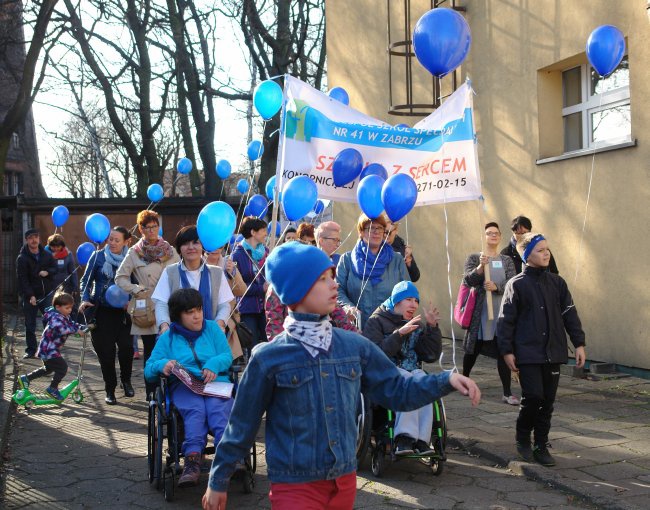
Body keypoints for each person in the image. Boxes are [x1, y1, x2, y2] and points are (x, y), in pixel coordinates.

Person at [202, 243, 481, 510]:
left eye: (332, 276)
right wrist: (218, 479)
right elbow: (241, 425)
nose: (335, 284)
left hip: (344, 481)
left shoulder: (353, 345)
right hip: (294, 483)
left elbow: (398, 388)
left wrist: (446, 381)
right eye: (323, 279)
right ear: (297, 290)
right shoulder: (268, 357)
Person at [497, 233, 586, 467]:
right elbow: (506, 321)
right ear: (527, 256)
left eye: (547, 249)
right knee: (533, 396)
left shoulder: (557, 283)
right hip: (527, 353)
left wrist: (579, 343)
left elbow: (570, 315)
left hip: (553, 352)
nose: (546, 253)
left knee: (547, 401)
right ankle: (523, 437)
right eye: (540, 250)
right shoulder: (516, 284)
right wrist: (507, 351)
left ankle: (541, 444)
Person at [145, 288, 233, 488]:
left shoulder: (212, 329)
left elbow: (226, 356)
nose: (197, 316)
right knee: (196, 411)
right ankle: (192, 461)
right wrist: (163, 364)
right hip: (185, 386)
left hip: (215, 383)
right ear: (178, 316)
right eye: (190, 312)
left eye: (199, 310)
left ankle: (228, 457)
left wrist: (213, 364)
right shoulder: (168, 338)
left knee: (218, 410)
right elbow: (149, 369)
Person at [362, 281, 442, 455]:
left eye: (416, 301)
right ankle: (404, 438)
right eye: (409, 300)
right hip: (385, 371)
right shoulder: (376, 321)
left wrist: (433, 329)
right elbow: (375, 355)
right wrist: (399, 334)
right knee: (406, 380)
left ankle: (422, 440)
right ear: (397, 301)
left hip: (411, 369)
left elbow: (429, 355)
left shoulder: (415, 323)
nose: (414, 305)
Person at [115, 210, 179, 393]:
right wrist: (136, 289)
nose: (151, 230)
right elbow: (120, 277)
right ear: (141, 229)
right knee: (150, 351)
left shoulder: (170, 250)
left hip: (170, 304)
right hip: (148, 308)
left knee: (171, 348)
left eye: (154, 226)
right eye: (146, 227)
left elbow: (180, 273)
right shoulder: (135, 252)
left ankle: (171, 389)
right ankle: (151, 393)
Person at [462, 222, 519, 405]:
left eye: (496, 233)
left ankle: (507, 392)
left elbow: (513, 282)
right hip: (481, 313)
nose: (493, 236)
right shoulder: (474, 257)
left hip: (501, 313)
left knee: (503, 350)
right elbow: (468, 280)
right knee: (473, 350)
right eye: (489, 233)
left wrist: (497, 287)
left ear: (500, 236)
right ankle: (464, 379)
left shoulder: (506, 260)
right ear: (484, 236)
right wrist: (480, 268)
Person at [79, 226, 134, 405]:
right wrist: (85, 299)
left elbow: (137, 283)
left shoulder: (131, 258)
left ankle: (126, 380)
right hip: (101, 311)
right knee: (106, 353)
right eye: (111, 239)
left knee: (126, 349)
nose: (112, 243)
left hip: (124, 313)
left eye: (117, 240)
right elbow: (85, 281)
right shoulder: (98, 257)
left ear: (126, 241)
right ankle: (110, 388)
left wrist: (131, 301)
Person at [153, 225, 234, 335]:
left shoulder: (216, 273)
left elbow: (224, 305)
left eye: (196, 242)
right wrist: (164, 325)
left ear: (203, 246)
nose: (191, 247)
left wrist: (219, 324)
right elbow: (161, 303)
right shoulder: (170, 272)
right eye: (185, 243)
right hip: (178, 336)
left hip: (210, 336)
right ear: (179, 248)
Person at [336, 214, 409, 328]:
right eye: (371, 228)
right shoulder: (347, 260)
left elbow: (406, 292)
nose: (376, 232)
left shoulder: (396, 260)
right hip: (356, 328)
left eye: (380, 228)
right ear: (361, 232)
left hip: (388, 330)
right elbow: (338, 290)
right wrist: (348, 307)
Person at [17, 291, 80, 400]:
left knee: (48, 369)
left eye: (71, 308)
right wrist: (76, 331)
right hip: (49, 350)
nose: (70, 310)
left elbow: (71, 324)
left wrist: (81, 327)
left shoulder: (62, 315)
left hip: (48, 349)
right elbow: (63, 329)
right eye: (67, 308)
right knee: (62, 368)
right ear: (58, 307)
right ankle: (52, 388)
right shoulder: (55, 318)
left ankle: (26, 378)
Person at [16, 228, 57, 359]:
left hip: (46, 294)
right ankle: (31, 350)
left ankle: (47, 349)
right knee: (30, 324)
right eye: (30, 238)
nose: (34, 240)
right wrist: (30, 295)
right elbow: (23, 279)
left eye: (36, 237)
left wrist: (48, 272)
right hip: (30, 295)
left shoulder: (46, 254)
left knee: (49, 323)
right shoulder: (22, 258)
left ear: (39, 239)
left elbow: (55, 268)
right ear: (26, 240)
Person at [231, 217, 269, 347]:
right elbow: (236, 286)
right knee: (252, 346)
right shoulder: (237, 255)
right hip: (247, 309)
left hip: (266, 306)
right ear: (253, 232)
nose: (266, 233)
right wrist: (260, 289)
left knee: (268, 343)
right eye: (263, 230)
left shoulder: (266, 252)